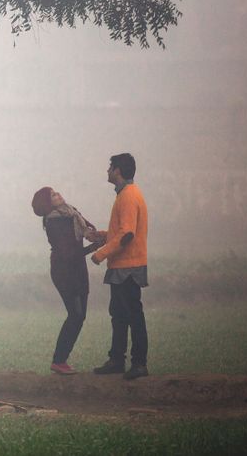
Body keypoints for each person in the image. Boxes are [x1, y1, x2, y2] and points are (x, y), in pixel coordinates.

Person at [31, 186, 105, 375]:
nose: (58, 195)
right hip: (64, 272)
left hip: (78, 269)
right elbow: (67, 253)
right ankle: (59, 360)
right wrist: (93, 247)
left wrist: (95, 237)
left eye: (56, 192)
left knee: (80, 316)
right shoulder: (54, 222)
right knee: (76, 315)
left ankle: (61, 360)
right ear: (48, 203)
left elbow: (89, 229)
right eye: (53, 195)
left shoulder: (71, 213)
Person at [90, 153, 150, 380]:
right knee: (119, 314)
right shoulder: (128, 194)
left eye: (110, 167)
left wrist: (101, 254)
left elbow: (127, 235)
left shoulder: (127, 197)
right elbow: (121, 232)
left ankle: (139, 363)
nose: (107, 171)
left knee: (133, 315)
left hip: (128, 266)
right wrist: (103, 236)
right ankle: (117, 359)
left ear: (117, 171)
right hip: (124, 264)